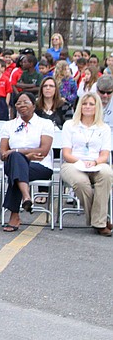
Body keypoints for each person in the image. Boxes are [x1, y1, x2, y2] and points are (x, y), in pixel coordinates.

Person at [0, 92, 55, 232]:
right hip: (14, 164)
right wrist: (26, 156)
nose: (22, 105)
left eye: (26, 102)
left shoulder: (45, 124)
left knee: (16, 165)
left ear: (34, 106)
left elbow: (43, 151)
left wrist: (16, 151)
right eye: (18, 103)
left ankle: (15, 215)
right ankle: (26, 196)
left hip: (41, 166)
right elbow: (3, 154)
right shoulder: (9, 125)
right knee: (17, 161)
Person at [60, 93, 113, 236]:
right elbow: (66, 153)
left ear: (97, 107)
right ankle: (100, 222)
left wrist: (94, 162)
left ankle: (98, 221)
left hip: (96, 163)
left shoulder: (104, 128)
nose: (87, 107)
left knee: (107, 174)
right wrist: (80, 162)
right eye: (84, 104)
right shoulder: (70, 125)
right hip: (73, 163)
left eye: (91, 104)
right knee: (81, 182)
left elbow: (105, 155)